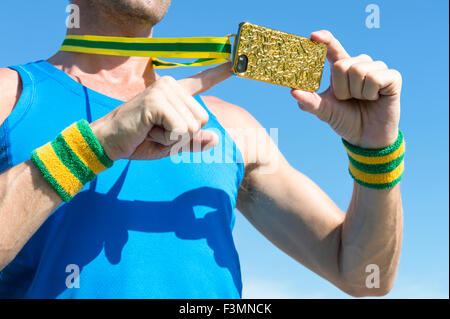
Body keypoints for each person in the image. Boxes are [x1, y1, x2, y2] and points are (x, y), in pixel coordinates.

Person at [0, 0, 403, 299]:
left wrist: (375, 150)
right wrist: (93, 146)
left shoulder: (232, 126)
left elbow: (363, 273)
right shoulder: (9, 97)